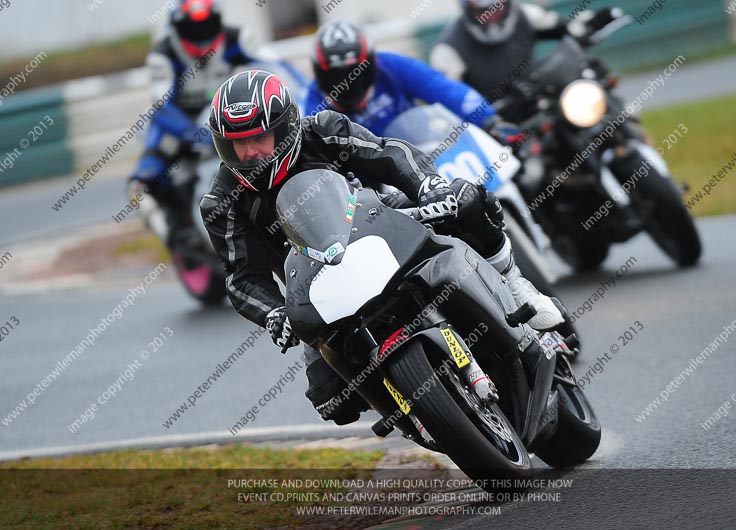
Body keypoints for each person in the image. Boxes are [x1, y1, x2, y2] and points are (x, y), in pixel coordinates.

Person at [201, 70, 565, 425]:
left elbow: (389, 154)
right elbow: (242, 278)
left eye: (258, 138)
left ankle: (513, 282)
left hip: (380, 228)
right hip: (316, 290)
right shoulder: (221, 202)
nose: (248, 153)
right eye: (236, 143)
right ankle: (419, 416)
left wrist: (428, 187)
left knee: (466, 200)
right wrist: (273, 312)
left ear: (285, 128)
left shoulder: (324, 130)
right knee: (332, 400)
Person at [129, 0, 265, 252]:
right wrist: (194, 136)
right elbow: (162, 106)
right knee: (140, 186)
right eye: (192, 27)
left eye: (206, 24)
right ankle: (174, 234)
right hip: (178, 125)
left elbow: (273, 68)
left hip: (227, 117)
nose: (201, 34)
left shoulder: (238, 37)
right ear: (177, 25)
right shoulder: (164, 53)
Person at [305, 20, 517, 142]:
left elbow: (445, 89)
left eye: (354, 71)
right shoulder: (314, 110)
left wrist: (490, 121)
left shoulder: (391, 66)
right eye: (336, 74)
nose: (347, 81)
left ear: (369, 62)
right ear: (319, 72)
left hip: (427, 157)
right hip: (378, 195)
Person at [431, 0, 622, 118]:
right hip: (506, 124)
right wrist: (487, 113)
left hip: (543, 100)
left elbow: (565, 26)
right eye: (483, 11)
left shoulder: (525, 15)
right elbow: (449, 100)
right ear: (467, 8)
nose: (492, 15)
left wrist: (589, 24)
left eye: (496, 7)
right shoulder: (448, 50)